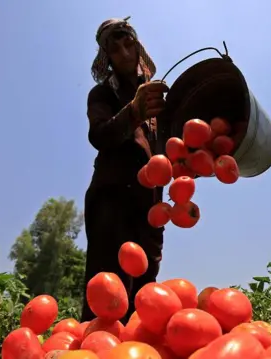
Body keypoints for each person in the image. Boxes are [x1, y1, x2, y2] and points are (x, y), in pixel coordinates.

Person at [81, 17, 170, 325]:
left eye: (127, 41)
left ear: (137, 45)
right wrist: (133, 112)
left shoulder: (158, 103)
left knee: (145, 296)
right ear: (107, 57)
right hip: (113, 201)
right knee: (108, 291)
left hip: (150, 210)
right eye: (114, 46)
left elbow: (170, 153)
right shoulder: (103, 95)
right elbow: (100, 136)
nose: (123, 50)